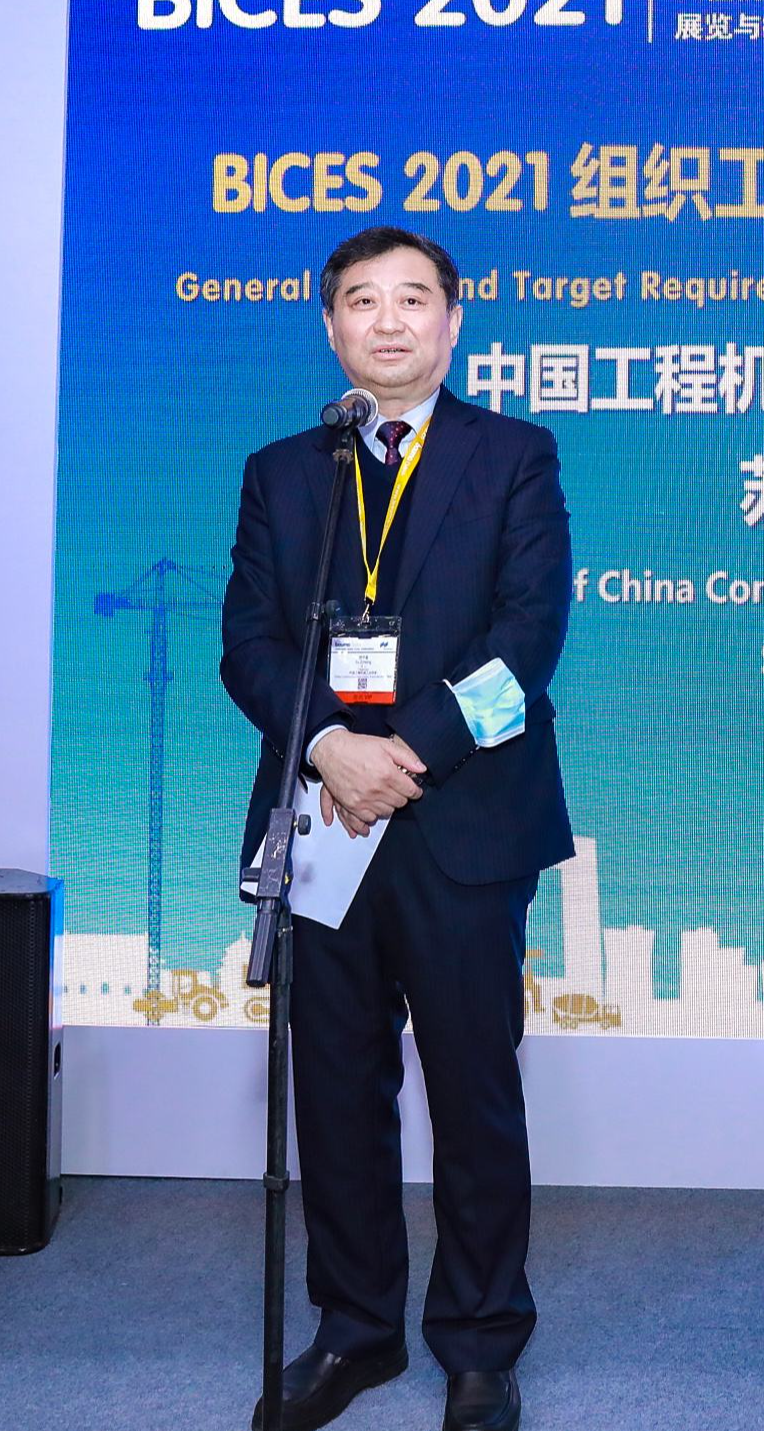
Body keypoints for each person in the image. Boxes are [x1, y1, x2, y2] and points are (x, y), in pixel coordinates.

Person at [222, 226, 574, 1431]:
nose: (387, 321)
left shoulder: (513, 455)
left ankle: (479, 1340)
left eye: (412, 299)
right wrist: (329, 744)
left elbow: (526, 643)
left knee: (472, 1090)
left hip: (463, 817)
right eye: (361, 301)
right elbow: (247, 644)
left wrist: (401, 753)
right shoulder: (285, 470)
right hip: (322, 813)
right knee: (335, 1086)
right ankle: (355, 1329)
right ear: (330, 327)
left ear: (451, 322)